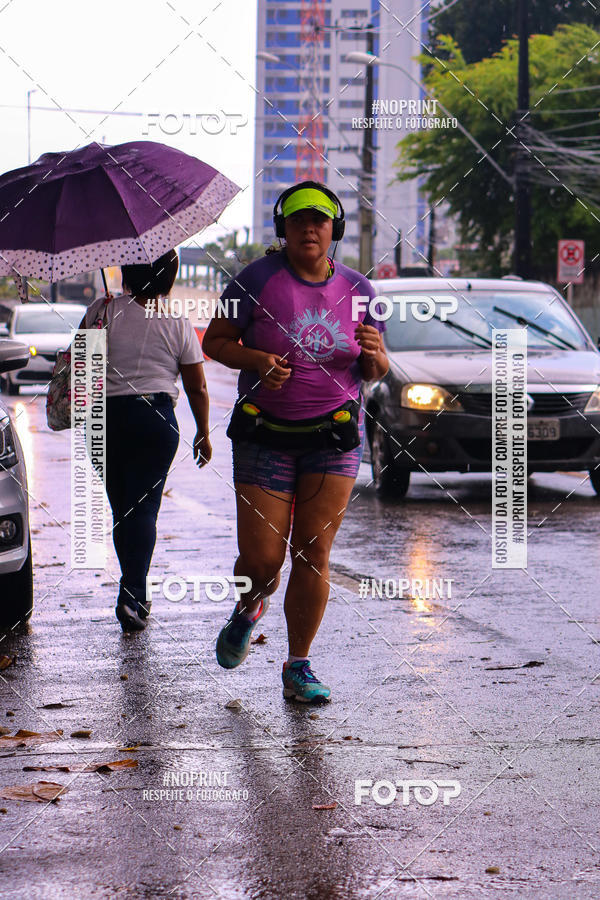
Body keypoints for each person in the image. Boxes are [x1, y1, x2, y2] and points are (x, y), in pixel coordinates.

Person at [203, 181, 389, 702]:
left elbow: (374, 368)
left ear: (335, 230)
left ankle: (298, 665)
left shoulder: (360, 292)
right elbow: (215, 341)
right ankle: (248, 607)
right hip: (265, 433)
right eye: (299, 220)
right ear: (283, 229)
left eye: (320, 220)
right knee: (261, 562)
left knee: (313, 552)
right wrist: (258, 360)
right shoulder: (255, 280)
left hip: (332, 437)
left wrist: (374, 355)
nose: (310, 228)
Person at [82, 251, 211, 632]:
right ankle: (133, 594)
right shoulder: (176, 320)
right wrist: (203, 432)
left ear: (128, 271)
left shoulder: (100, 310)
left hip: (105, 419)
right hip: (154, 420)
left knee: (123, 508)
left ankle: (132, 591)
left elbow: (82, 367)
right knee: (143, 509)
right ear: (170, 277)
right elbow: (197, 386)